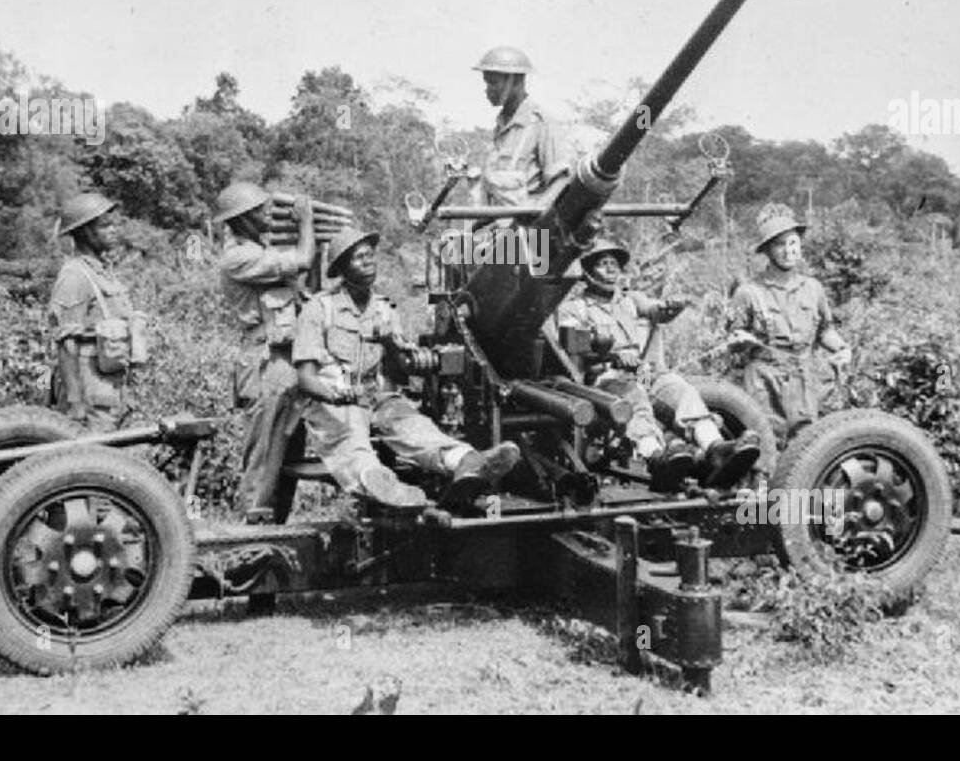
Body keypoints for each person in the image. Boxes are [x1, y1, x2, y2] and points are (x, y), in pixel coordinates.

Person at [292, 226, 520, 511]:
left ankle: (467, 462)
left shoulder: (384, 309)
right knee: (351, 439)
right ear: (341, 269)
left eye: (370, 255)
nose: (367, 261)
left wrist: (390, 343)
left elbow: (401, 374)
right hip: (334, 399)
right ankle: (380, 485)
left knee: (413, 425)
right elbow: (305, 378)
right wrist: (337, 395)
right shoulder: (320, 309)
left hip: (376, 395)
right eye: (358, 258)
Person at [557, 239, 761, 491]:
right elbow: (571, 351)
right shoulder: (574, 309)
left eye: (614, 264)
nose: (611, 270)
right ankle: (655, 457)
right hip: (602, 379)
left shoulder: (629, 301)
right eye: (602, 264)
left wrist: (670, 307)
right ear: (587, 272)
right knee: (635, 396)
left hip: (640, 372)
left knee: (676, 387)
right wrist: (608, 356)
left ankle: (716, 448)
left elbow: (655, 310)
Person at [215, 181, 317, 519]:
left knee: (287, 456)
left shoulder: (261, 252)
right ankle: (252, 533)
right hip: (264, 365)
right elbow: (303, 258)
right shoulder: (239, 257)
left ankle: (277, 529)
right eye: (260, 211)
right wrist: (305, 222)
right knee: (263, 456)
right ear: (241, 219)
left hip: (286, 363)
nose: (268, 215)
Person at [727, 203, 851, 442]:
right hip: (764, 381)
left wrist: (842, 348)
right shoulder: (749, 292)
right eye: (780, 244)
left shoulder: (813, 288)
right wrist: (741, 340)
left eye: (793, 243)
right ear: (768, 251)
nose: (788, 251)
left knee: (808, 447)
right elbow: (732, 341)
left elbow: (825, 331)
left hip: (807, 379)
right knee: (767, 446)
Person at [48, 193, 146, 429]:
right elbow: (67, 344)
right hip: (90, 396)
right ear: (85, 233)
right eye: (105, 226)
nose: (114, 230)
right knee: (93, 460)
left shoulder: (102, 272)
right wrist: (75, 403)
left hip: (111, 389)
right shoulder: (75, 276)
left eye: (114, 224)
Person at [471, 46, 572, 209]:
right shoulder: (501, 125)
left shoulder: (541, 124)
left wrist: (536, 224)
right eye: (486, 83)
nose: (487, 90)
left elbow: (561, 181)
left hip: (530, 230)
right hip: (499, 226)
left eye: (493, 83)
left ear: (515, 81)